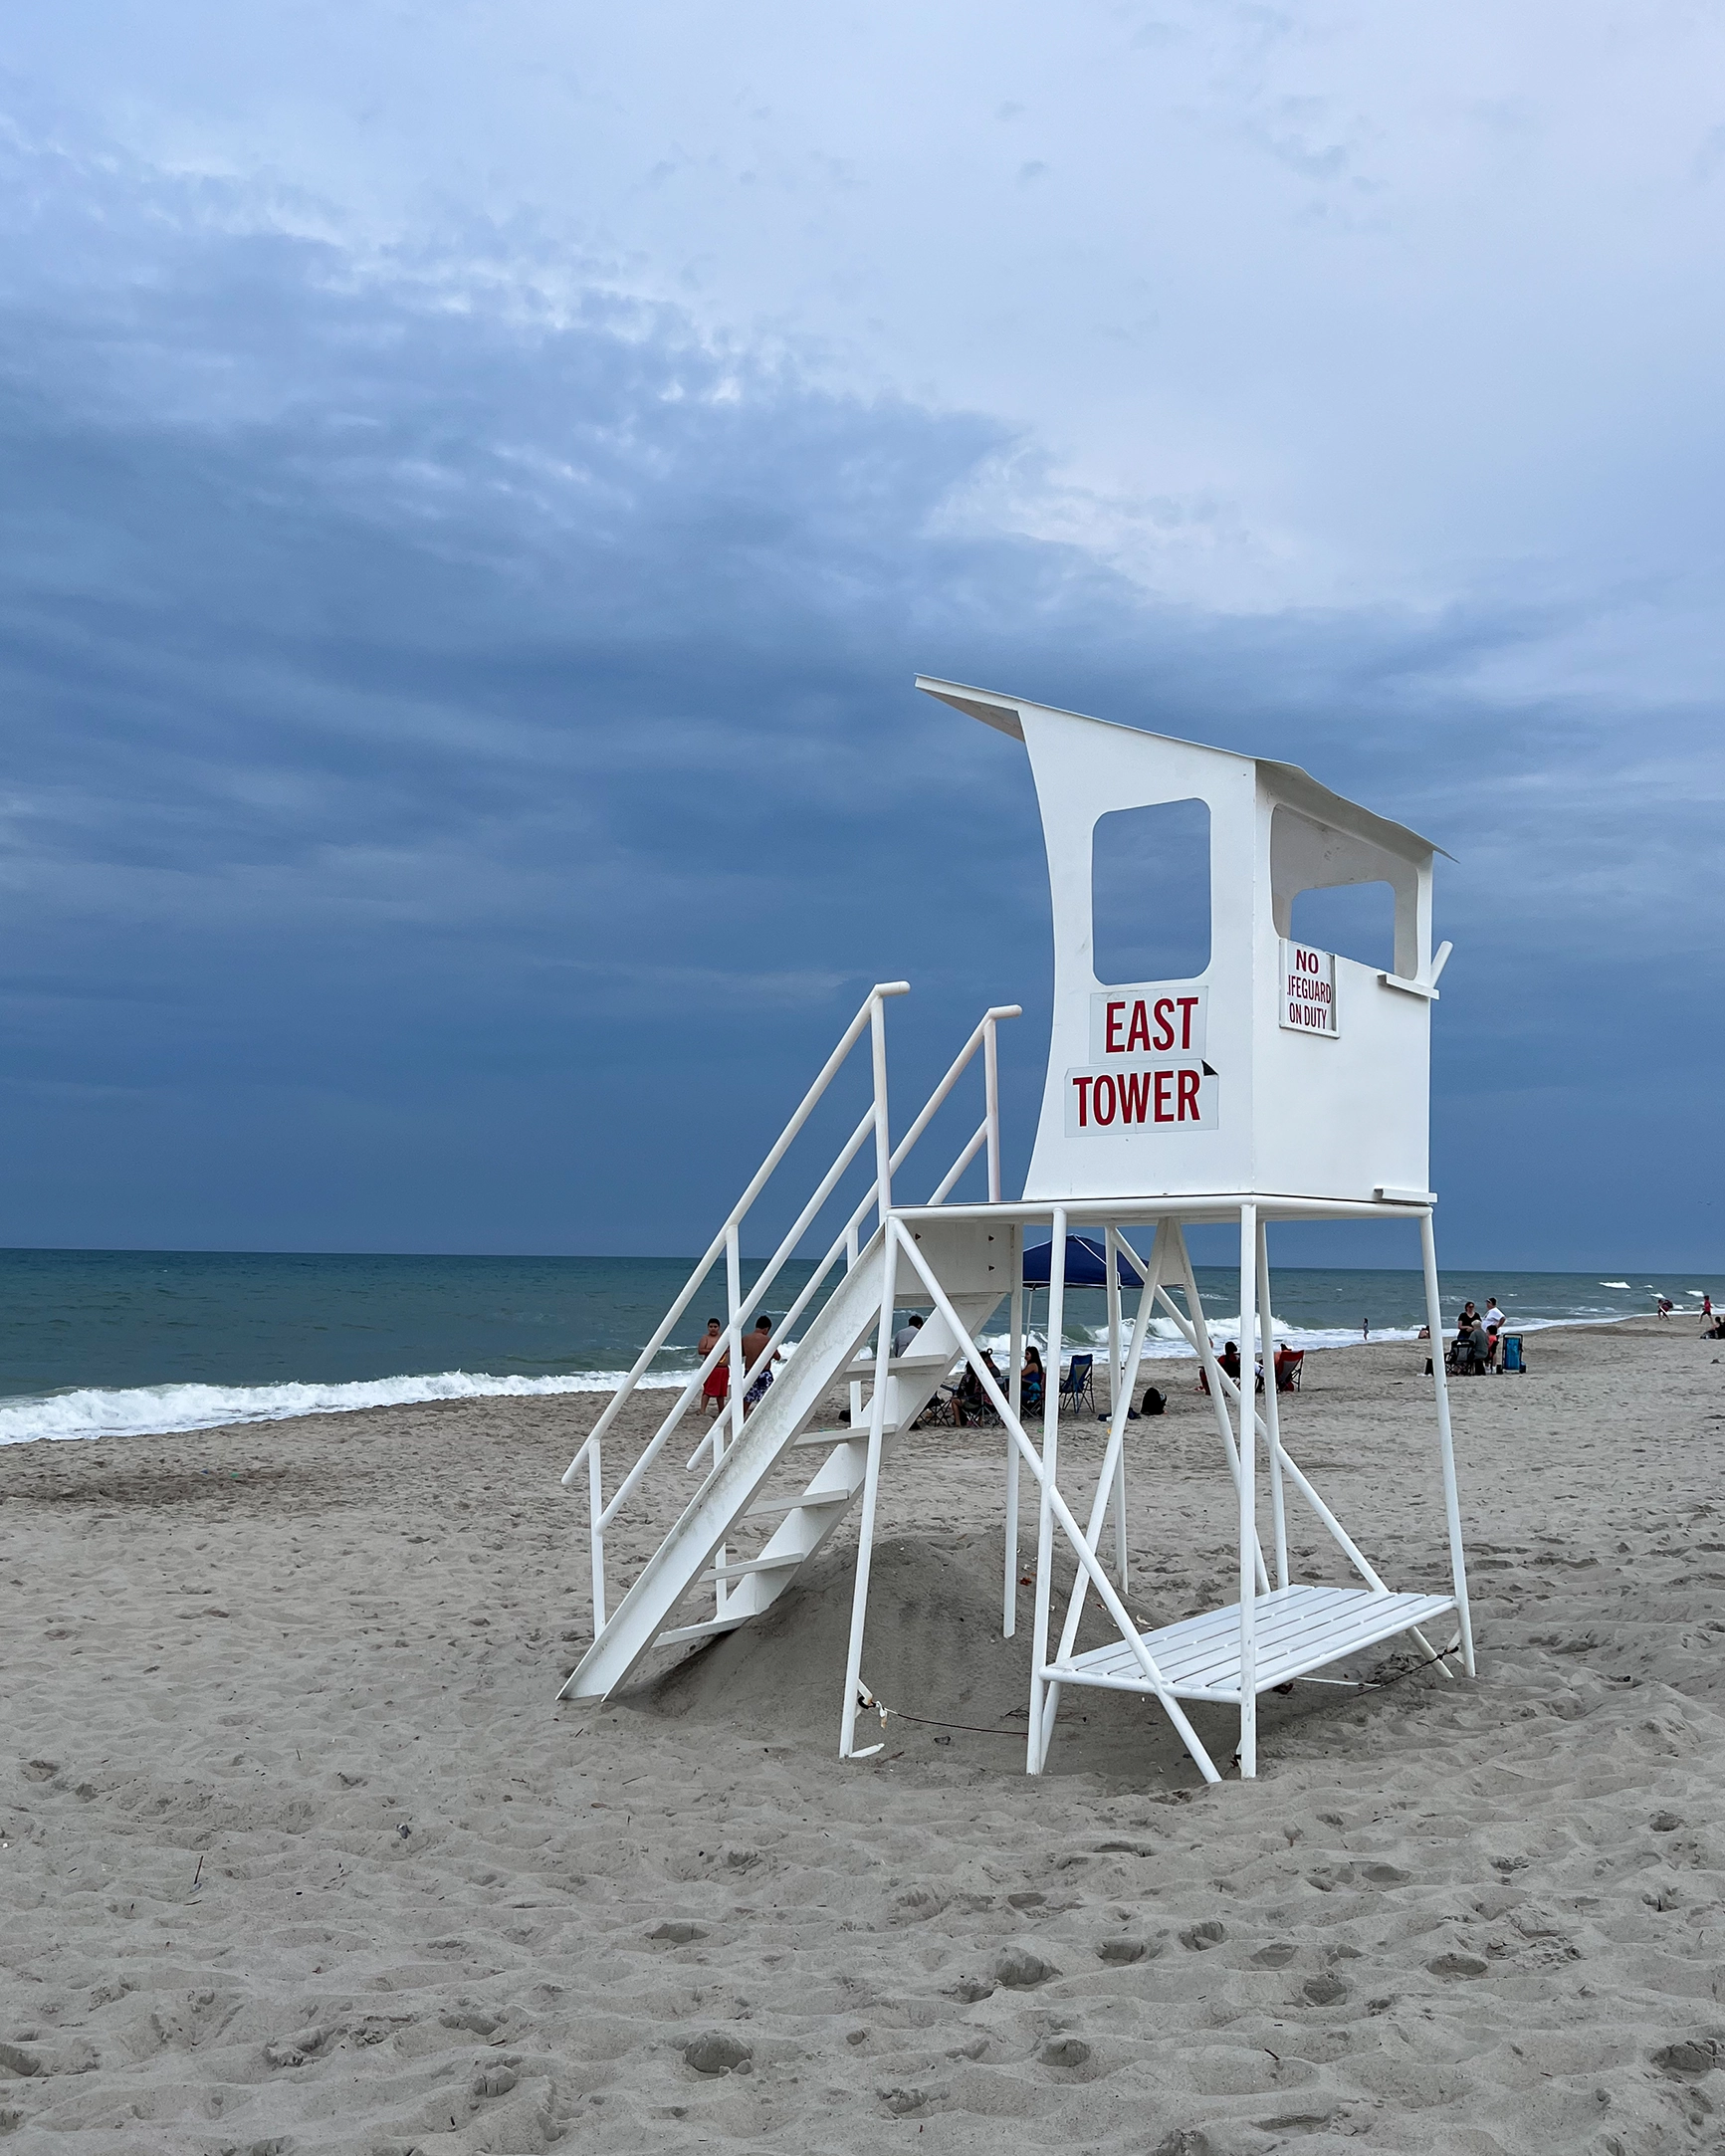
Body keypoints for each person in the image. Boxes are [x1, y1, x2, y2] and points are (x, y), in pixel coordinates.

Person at [742, 1313, 780, 1412]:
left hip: (749, 1372)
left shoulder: (745, 1339)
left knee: (747, 1398)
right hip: (763, 1373)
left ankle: (741, 1419)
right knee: (766, 1399)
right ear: (766, 1329)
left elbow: (741, 1354)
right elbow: (777, 1357)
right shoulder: (767, 1339)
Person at [698, 1318, 729, 1416]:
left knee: (721, 1392)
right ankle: (702, 1410)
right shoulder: (705, 1338)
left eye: (715, 1327)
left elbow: (729, 1348)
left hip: (723, 1368)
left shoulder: (723, 1337)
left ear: (718, 1327)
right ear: (708, 1327)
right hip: (711, 1368)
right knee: (707, 1390)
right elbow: (700, 1350)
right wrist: (713, 1350)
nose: (713, 1329)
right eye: (711, 1327)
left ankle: (721, 1410)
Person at [1020, 1345, 1044, 1414]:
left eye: (1027, 1354)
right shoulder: (1035, 1364)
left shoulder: (1033, 1365)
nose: (1025, 1356)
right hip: (1029, 1388)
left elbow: (1021, 1374)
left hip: (1030, 1390)